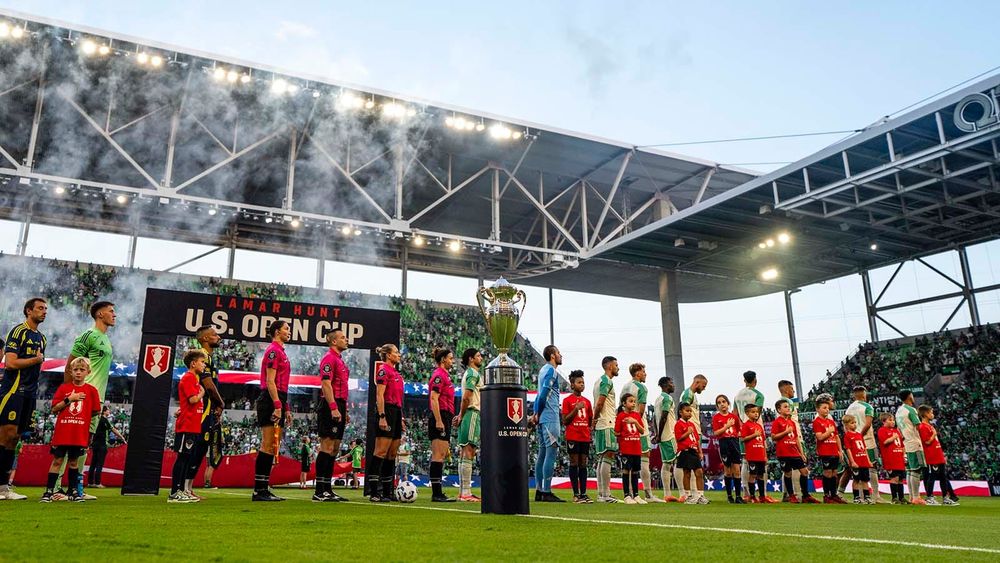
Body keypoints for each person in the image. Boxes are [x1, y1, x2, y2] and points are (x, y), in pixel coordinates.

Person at [61, 300, 115, 500]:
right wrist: (69, 394)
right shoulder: (88, 335)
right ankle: (58, 489)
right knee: (71, 443)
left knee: (85, 443)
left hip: (96, 399)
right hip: (82, 397)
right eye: (111, 311)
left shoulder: (106, 339)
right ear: (100, 314)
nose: (114, 315)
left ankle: (76, 489)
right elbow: (69, 365)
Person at [0, 297, 47, 501]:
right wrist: (35, 360)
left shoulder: (42, 338)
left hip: (30, 393)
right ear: (29, 311)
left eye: (45, 309)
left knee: (15, 439)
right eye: (40, 308)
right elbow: (9, 363)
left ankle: (3, 488)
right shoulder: (18, 332)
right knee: (6, 436)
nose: (44, 311)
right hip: (13, 391)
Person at [40, 357, 101, 503]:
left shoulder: (92, 391)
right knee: (57, 461)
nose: (78, 372)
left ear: (88, 372)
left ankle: (73, 491)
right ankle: (49, 491)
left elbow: (95, 411)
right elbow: (54, 408)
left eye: (82, 370)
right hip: (63, 432)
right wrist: (69, 399)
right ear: (70, 372)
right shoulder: (64, 388)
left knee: (74, 462)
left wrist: (82, 421)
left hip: (79, 434)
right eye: (75, 370)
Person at [252, 320, 292, 502]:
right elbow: (270, 381)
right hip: (270, 399)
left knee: (272, 446)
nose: (289, 332)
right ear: (277, 331)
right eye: (286, 329)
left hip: (278, 398)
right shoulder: (273, 351)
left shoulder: (281, 352)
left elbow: (283, 385)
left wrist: (286, 407)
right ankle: (259, 490)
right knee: (267, 444)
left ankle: (264, 487)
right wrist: (277, 404)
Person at [314, 328, 350, 502]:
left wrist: (344, 410)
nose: (346, 339)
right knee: (327, 447)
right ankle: (319, 490)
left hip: (340, 405)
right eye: (343, 337)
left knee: (334, 449)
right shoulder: (329, 359)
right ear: (334, 341)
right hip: (330, 404)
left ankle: (327, 489)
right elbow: (326, 385)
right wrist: (334, 407)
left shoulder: (340, 361)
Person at [188, 325, 225, 499]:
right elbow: (208, 385)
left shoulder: (208, 357)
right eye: (214, 334)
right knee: (197, 448)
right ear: (204, 338)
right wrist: (221, 403)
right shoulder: (203, 357)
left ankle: (188, 489)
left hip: (208, 408)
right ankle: (184, 488)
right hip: (201, 410)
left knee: (201, 449)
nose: (218, 337)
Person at [169, 350, 206, 503]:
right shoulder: (189, 378)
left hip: (192, 425)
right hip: (187, 425)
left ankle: (182, 490)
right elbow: (192, 400)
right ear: (193, 363)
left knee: (186, 458)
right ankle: (175, 492)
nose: (204, 365)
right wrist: (202, 393)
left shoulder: (193, 379)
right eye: (202, 362)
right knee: (182, 458)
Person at [369, 344, 405, 502]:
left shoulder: (396, 373)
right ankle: (374, 491)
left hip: (396, 412)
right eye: (396, 352)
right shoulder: (384, 370)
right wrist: (382, 416)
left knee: (392, 453)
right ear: (389, 355)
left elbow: (398, 398)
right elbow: (380, 395)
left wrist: (401, 417)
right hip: (387, 411)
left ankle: (387, 491)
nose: (399, 355)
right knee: (380, 452)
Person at [620, 363, 661, 502]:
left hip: (626, 427)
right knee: (644, 458)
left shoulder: (626, 386)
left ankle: (629, 493)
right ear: (637, 373)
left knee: (629, 463)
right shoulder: (641, 387)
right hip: (638, 429)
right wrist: (635, 422)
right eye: (643, 371)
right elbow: (641, 410)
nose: (645, 374)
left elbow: (621, 407)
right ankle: (647, 494)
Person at [531, 345, 564, 502]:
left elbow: (538, 396)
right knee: (551, 453)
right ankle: (546, 491)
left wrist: (536, 413)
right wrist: (538, 412)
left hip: (542, 416)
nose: (560, 355)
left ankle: (539, 490)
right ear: (552, 355)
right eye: (558, 353)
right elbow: (544, 394)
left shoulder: (542, 370)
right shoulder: (551, 371)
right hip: (550, 416)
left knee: (542, 453)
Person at [772, 399, 818, 503]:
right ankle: (791, 495)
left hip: (794, 451)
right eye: (785, 407)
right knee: (788, 474)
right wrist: (785, 432)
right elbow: (774, 437)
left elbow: (796, 438)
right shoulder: (777, 422)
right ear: (779, 410)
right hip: (784, 452)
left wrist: (801, 453)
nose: (788, 408)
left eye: (788, 406)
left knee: (804, 472)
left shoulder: (792, 422)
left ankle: (805, 495)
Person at [844, 385, 882, 502]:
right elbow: (868, 423)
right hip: (866, 441)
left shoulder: (849, 408)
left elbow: (845, 425)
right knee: (872, 468)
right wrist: (859, 436)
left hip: (853, 441)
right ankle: (875, 496)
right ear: (864, 394)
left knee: (856, 471)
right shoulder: (867, 406)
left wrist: (852, 437)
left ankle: (859, 496)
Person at [428, 347, 457, 502]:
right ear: (443, 359)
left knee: (442, 454)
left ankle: (438, 492)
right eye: (451, 358)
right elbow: (434, 398)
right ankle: (436, 493)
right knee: (438, 455)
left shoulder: (445, 376)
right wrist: (439, 420)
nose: (452, 361)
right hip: (440, 415)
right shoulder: (439, 375)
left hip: (445, 415)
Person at [455, 348, 483, 502]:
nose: (481, 358)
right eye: (478, 356)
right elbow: (467, 398)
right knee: (469, 450)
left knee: (464, 451)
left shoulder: (470, 374)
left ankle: (463, 492)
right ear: (471, 359)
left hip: (468, 414)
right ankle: (466, 493)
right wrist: (461, 414)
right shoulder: (473, 374)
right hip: (472, 413)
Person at [561, 369, 593, 503]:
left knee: (583, 464)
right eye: (579, 382)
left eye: (583, 382)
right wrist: (576, 409)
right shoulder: (567, 401)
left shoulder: (587, 401)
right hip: (573, 436)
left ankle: (584, 493)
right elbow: (565, 420)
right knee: (574, 462)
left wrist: (588, 428)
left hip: (584, 436)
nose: (582, 385)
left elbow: (590, 419)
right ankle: (576, 494)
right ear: (572, 385)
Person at [918, 405, 959, 506]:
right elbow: (927, 442)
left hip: (938, 454)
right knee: (932, 476)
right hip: (932, 456)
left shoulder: (930, 426)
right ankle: (929, 497)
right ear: (925, 414)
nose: (933, 414)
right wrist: (933, 435)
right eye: (931, 412)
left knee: (943, 477)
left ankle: (945, 497)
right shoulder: (922, 427)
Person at [591, 355, 619, 503]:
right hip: (607, 422)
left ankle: (602, 493)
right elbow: (600, 402)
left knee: (602, 457)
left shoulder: (598, 381)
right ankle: (606, 494)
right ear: (609, 366)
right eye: (616, 365)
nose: (617, 368)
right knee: (608, 455)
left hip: (602, 422)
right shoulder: (606, 381)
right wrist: (594, 419)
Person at [734, 371, 764, 500]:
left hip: (742, 429)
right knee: (759, 462)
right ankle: (762, 495)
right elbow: (757, 413)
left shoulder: (738, 395)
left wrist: (740, 427)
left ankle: (746, 492)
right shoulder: (758, 395)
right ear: (755, 380)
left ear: (744, 380)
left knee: (745, 461)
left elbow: (734, 414)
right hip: (755, 430)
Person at [678, 374, 707, 501]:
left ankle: (696, 495)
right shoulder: (688, 395)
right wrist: (687, 429)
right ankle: (688, 494)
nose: (704, 388)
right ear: (697, 382)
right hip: (689, 434)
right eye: (703, 385)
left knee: (696, 469)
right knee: (688, 469)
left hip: (694, 431)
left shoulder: (691, 395)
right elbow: (683, 410)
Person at [895, 390, 927, 505]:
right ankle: (916, 497)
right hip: (914, 442)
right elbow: (919, 427)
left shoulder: (899, 411)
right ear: (909, 396)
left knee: (909, 471)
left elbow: (898, 429)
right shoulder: (911, 410)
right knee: (916, 470)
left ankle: (911, 496)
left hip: (905, 443)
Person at [813, 394, 846, 504]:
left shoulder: (830, 421)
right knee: (827, 473)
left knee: (834, 473)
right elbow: (819, 437)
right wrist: (828, 432)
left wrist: (840, 450)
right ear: (818, 409)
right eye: (824, 408)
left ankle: (833, 494)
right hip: (825, 451)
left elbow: (836, 436)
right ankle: (826, 495)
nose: (827, 410)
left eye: (827, 408)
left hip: (834, 450)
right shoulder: (817, 422)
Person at [776, 379, 804, 501]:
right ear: (787, 390)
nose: (793, 391)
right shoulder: (788, 403)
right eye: (792, 389)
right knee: (797, 467)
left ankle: (786, 493)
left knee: (786, 469)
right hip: (793, 437)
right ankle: (797, 494)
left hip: (787, 439)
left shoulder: (780, 404)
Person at [653, 376, 680, 502]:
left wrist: (657, 434)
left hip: (663, 436)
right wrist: (659, 434)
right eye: (671, 383)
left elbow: (654, 419)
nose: (673, 385)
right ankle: (682, 493)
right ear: (665, 385)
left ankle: (667, 493)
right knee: (677, 462)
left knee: (666, 463)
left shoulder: (658, 399)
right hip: (670, 434)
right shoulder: (667, 398)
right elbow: (664, 416)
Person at [712, 394, 743, 503]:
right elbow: (716, 433)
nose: (722, 404)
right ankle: (730, 496)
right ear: (717, 406)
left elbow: (739, 430)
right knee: (728, 471)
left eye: (724, 402)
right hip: (724, 443)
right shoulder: (716, 417)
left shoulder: (734, 417)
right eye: (719, 403)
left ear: (728, 403)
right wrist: (727, 426)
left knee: (737, 470)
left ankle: (738, 496)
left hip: (734, 442)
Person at [615, 393, 645, 505]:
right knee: (626, 470)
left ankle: (636, 495)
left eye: (634, 401)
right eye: (630, 401)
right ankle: (627, 495)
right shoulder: (621, 416)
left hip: (636, 447)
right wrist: (624, 434)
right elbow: (616, 431)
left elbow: (642, 431)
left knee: (636, 471)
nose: (633, 404)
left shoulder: (636, 416)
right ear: (624, 403)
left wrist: (635, 422)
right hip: (626, 448)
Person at [674, 403, 707, 504]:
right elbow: (678, 438)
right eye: (687, 411)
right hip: (685, 451)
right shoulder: (678, 424)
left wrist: (700, 452)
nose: (689, 413)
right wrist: (687, 433)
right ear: (680, 412)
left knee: (699, 472)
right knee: (687, 473)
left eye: (690, 411)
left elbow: (697, 440)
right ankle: (688, 496)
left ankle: (700, 495)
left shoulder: (691, 424)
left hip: (694, 451)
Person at [740, 405, 774, 503]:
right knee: (753, 475)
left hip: (760, 455)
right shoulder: (746, 425)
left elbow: (763, 441)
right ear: (747, 413)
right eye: (753, 412)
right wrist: (754, 435)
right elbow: (742, 439)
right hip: (752, 455)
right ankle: (752, 496)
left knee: (760, 475)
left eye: (757, 412)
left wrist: (765, 456)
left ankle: (762, 496)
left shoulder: (759, 426)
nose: (756, 414)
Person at [89, 406, 126, 488]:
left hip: (95, 444)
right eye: (108, 410)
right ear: (104, 411)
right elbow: (113, 429)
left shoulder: (97, 420)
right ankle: (97, 483)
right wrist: (122, 437)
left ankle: (90, 482)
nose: (109, 411)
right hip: (102, 444)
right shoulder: (104, 420)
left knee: (93, 464)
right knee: (99, 464)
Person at [842, 414, 873, 504]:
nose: (854, 424)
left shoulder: (859, 435)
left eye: (855, 422)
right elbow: (848, 449)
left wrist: (868, 460)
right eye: (852, 423)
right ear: (846, 425)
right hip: (856, 461)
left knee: (865, 480)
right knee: (856, 479)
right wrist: (852, 461)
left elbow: (864, 448)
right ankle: (856, 497)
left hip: (863, 460)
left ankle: (867, 497)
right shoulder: (847, 436)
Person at [877, 412, 907, 504]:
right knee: (895, 478)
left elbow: (902, 445)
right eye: (890, 420)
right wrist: (893, 437)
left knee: (901, 479)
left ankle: (901, 498)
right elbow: (885, 442)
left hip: (899, 458)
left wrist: (904, 455)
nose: (893, 422)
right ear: (883, 421)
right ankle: (894, 498)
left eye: (893, 420)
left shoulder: (896, 431)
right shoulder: (882, 430)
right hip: (891, 459)